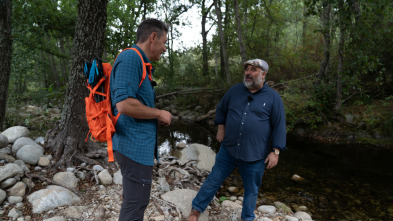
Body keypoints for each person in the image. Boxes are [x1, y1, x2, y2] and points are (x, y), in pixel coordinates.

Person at [188, 59, 286, 221]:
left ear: (263, 75)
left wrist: (275, 152)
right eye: (247, 69)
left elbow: (279, 126)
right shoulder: (235, 91)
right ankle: (196, 210)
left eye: (253, 70)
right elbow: (221, 109)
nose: (248, 72)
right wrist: (221, 128)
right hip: (229, 149)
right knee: (213, 180)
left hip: (255, 154)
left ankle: (247, 217)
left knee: (251, 189)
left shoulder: (273, 98)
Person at [110, 18, 172, 221]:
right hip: (132, 146)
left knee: (135, 201)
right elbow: (124, 104)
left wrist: (154, 116)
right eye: (164, 42)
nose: (164, 48)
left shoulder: (140, 62)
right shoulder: (131, 58)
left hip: (138, 147)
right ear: (153, 37)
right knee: (135, 204)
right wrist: (158, 113)